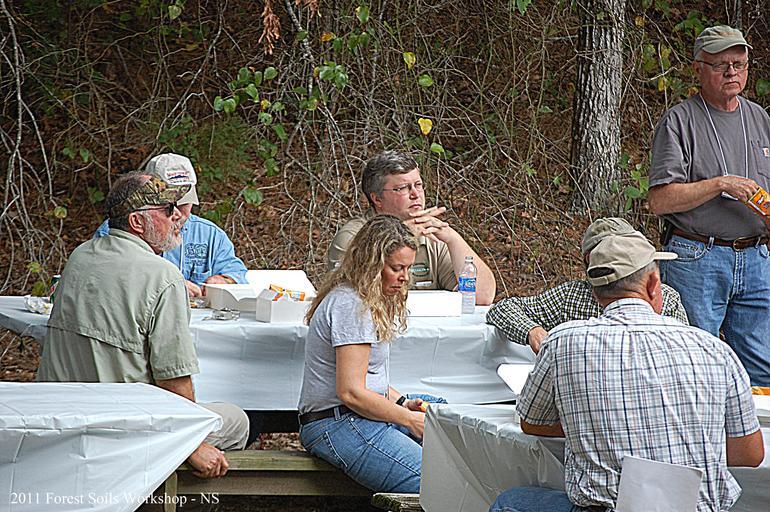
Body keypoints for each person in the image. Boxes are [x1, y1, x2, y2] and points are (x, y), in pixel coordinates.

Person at [489, 232, 763, 512]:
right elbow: (751, 454)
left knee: (510, 502)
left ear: (595, 292)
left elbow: (531, 423)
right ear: (654, 284)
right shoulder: (714, 349)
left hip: (609, 507)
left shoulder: (563, 342)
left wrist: (595, 427)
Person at [39, 173, 249, 479]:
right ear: (137, 222)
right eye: (168, 209)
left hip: (63, 420)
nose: (178, 216)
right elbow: (174, 380)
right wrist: (192, 444)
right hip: (127, 431)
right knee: (239, 421)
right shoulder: (162, 276)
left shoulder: (79, 256)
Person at [648, 25, 770, 386]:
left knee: (761, 369)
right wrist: (720, 184)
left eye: (739, 64)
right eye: (720, 65)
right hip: (698, 257)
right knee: (693, 365)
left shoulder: (760, 118)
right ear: (698, 69)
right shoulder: (679, 121)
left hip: (757, 258)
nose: (732, 72)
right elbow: (659, 200)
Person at [299, 214, 446, 493]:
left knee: (442, 411)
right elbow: (351, 392)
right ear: (372, 265)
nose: (404, 277)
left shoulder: (365, 299)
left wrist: (403, 403)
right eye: (396, 268)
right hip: (336, 423)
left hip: (354, 415)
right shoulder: (351, 305)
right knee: (434, 483)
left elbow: (370, 379)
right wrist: (408, 419)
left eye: (408, 268)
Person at [486, 217, 688, 353]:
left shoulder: (667, 299)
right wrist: (532, 331)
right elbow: (503, 309)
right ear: (589, 260)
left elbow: (683, 350)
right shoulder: (572, 296)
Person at [327, 150, 496, 305]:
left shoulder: (433, 235)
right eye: (402, 188)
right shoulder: (353, 236)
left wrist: (453, 238)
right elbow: (352, 298)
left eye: (418, 185)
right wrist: (401, 236)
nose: (416, 194)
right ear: (377, 199)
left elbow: (481, 297)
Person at [95, 153, 248, 298]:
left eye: (184, 203)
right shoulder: (115, 231)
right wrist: (167, 287)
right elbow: (104, 279)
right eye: (167, 207)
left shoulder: (210, 235)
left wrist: (225, 280)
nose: (177, 214)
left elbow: (237, 273)